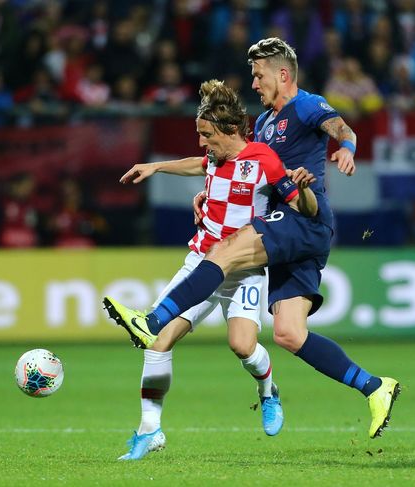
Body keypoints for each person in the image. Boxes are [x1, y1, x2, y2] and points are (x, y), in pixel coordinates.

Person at [104, 38, 400, 440]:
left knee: (226, 248)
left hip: (301, 218)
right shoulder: (261, 125)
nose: (254, 83)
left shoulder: (306, 105)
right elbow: (219, 159)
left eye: (259, 75)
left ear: (283, 74)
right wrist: (178, 174)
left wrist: (346, 148)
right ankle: (375, 387)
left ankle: (151, 320)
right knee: (288, 335)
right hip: (290, 233)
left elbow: (342, 128)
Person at [112, 78, 319, 460]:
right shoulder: (213, 157)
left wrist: (303, 189)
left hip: (244, 267)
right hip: (201, 261)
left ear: (226, 131)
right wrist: (156, 167)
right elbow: (199, 164)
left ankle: (268, 390)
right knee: (157, 341)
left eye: (206, 135)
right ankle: (149, 430)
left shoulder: (264, 161)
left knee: (242, 345)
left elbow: (304, 209)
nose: (202, 144)